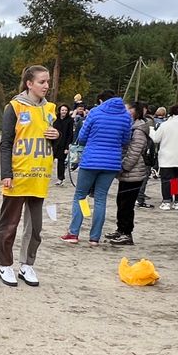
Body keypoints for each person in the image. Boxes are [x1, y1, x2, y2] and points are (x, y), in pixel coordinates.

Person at [0, 65, 59, 288]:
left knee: (35, 228)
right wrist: (7, 173)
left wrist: (57, 136)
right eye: (42, 82)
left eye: (48, 81)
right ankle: (4, 265)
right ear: (29, 83)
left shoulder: (50, 109)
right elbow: (5, 143)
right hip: (18, 176)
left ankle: (27, 264)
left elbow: (57, 143)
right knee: (9, 224)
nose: (46, 86)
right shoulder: (13, 107)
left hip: (40, 176)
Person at [63, 90, 132, 246]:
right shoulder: (126, 115)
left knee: (80, 196)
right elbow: (126, 139)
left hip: (91, 160)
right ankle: (95, 237)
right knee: (100, 199)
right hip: (112, 163)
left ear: (101, 101)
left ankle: (73, 233)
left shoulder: (95, 112)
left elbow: (82, 137)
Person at [107, 102, 153, 245]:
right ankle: (120, 229)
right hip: (127, 173)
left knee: (127, 204)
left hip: (134, 173)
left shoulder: (138, 130)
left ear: (134, 112)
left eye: (127, 109)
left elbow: (134, 152)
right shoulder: (131, 128)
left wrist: (123, 167)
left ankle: (127, 233)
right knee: (121, 202)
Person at [52, 101, 74, 184]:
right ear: (59, 111)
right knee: (49, 160)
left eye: (65, 110)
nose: (64, 112)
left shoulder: (70, 120)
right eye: (62, 110)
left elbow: (70, 134)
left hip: (64, 143)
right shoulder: (55, 118)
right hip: (54, 144)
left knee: (61, 162)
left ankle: (60, 178)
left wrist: (67, 147)